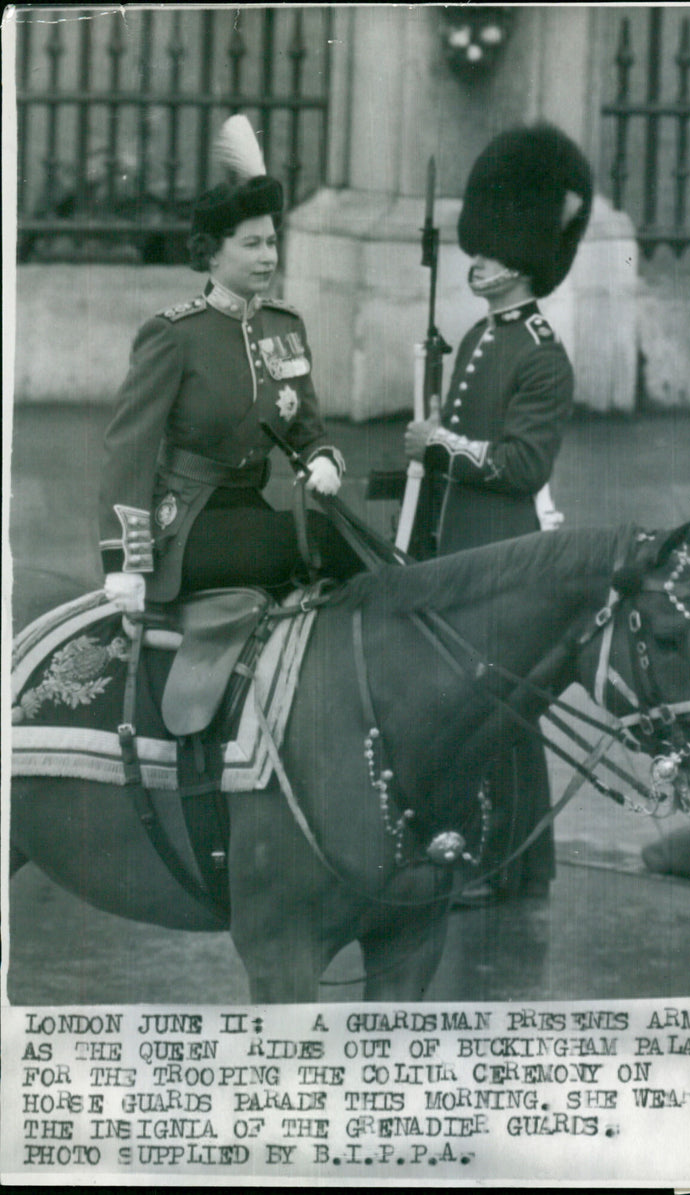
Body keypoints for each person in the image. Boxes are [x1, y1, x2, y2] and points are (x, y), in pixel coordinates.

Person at [404, 123, 593, 904]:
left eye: (487, 250)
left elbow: (521, 466)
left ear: (524, 257)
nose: (473, 260)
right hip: (464, 549)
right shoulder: (483, 334)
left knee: (502, 715)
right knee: (479, 712)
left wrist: (440, 445)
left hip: (507, 554)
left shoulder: (543, 353)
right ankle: (500, 857)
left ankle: (513, 862)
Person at [99, 116, 361, 615]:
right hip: (186, 525)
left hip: (249, 512)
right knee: (325, 544)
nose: (268, 257)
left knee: (344, 543)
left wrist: (324, 458)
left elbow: (308, 432)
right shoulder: (174, 336)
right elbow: (128, 452)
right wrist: (125, 561)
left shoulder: (285, 326)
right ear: (211, 254)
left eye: (272, 242)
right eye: (251, 244)